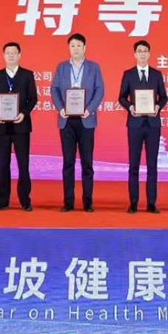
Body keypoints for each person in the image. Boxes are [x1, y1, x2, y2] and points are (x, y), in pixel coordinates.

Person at [50, 33, 103, 212]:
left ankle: (88, 202)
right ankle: (68, 202)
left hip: (86, 119)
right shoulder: (62, 67)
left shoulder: (94, 67)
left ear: (84, 48)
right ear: (69, 48)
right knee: (68, 163)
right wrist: (60, 108)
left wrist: (90, 109)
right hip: (66, 120)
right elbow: (54, 89)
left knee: (87, 163)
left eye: (79, 45)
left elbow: (100, 90)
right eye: (72, 45)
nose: (75, 49)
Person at [117, 40, 168, 214]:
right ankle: (133, 202)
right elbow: (122, 97)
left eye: (145, 51)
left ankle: (151, 203)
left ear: (149, 53)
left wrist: (158, 107)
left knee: (152, 165)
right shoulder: (128, 74)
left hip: (153, 124)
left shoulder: (156, 74)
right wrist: (130, 107)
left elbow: (164, 97)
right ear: (135, 54)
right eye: (139, 51)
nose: (142, 54)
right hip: (135, 124)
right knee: (134, 164)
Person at [0, 41, 38, 211]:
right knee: (3, 165)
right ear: (3, 55)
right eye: (8, 53)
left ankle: (25, 201)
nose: (11, 55)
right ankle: (2, 201)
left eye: (14, 52)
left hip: (21, 127)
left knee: (23, 165)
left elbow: (33, 99)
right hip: (3, 128)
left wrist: (23, 113)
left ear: (19, 55)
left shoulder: (27, 75)